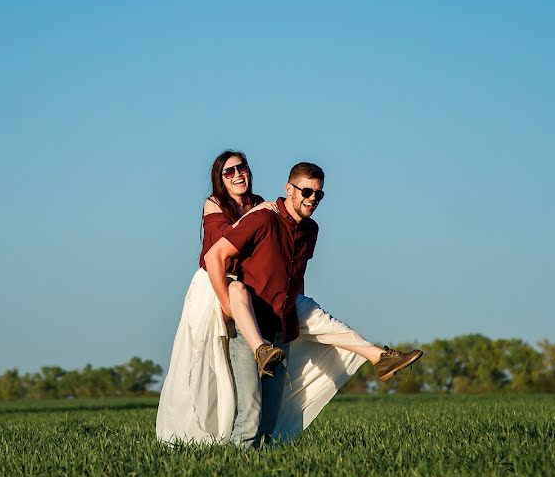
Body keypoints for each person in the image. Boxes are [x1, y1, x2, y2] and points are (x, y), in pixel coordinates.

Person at [155, 152, 422, 446]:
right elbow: (214, 256)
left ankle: (377, 356)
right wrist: (227, 305)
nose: (313, 198)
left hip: (276, 312)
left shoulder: (299, 225)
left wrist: (291, 308)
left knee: (273, 414)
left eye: (318, 193)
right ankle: (230, 470)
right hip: (224, 290)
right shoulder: (234, 209)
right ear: (289, 189)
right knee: (245, 413)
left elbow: (294, 271)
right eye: (228, 172)